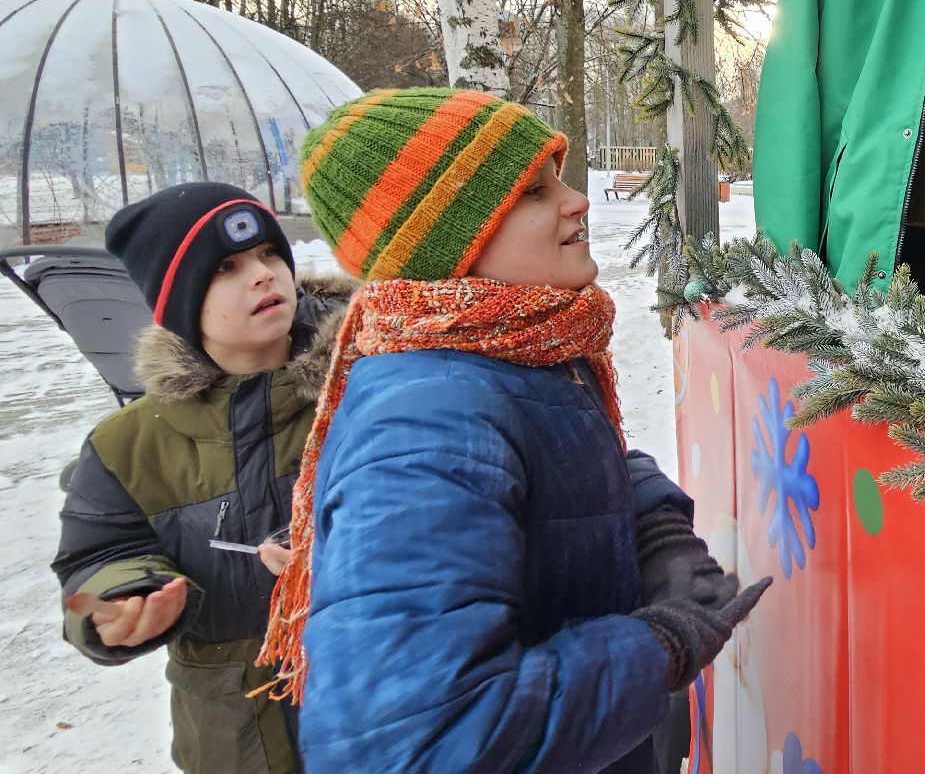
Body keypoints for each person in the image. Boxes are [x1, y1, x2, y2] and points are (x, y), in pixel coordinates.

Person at [260, 87, 766, 771]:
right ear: (447, 240)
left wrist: (656, 527)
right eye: (532, 191)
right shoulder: (427, 420)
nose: (575, 200)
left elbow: (564, 458)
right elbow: (411, 743)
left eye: (558, 176)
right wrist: (655, 646)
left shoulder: (508, 354)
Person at [52, 184, 354, 773]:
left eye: (270, 254)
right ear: (178, 300)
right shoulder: (127, 446)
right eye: (226, 268)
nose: (264, 275)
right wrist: (113, 602)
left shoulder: (364, 390)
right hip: (235, 741)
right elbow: (85, 571)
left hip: (377, 711)